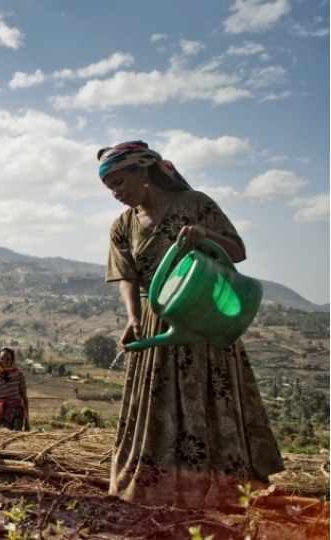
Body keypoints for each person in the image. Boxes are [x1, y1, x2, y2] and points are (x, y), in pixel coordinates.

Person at [99, 140, 284, 508]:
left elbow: (237, 250)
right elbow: (127, 277)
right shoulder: (122, 225)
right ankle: (158, 486)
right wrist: (134, 318)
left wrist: (205, 234)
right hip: (157, 320)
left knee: (209, 396)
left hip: (203, 312)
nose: (117, 193)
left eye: (120, 182)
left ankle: (224, 487)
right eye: (110, 188)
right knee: (157, 402)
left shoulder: (195, 204)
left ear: (142, 171)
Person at [0, 347, 29, 431]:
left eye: (8, 359)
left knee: (15, 439)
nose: (5, 361)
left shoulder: (18, 376)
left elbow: (24, 398)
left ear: (12, 360)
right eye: (2, 359)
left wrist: (27, 422)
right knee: (0, 437)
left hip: (17, 415)